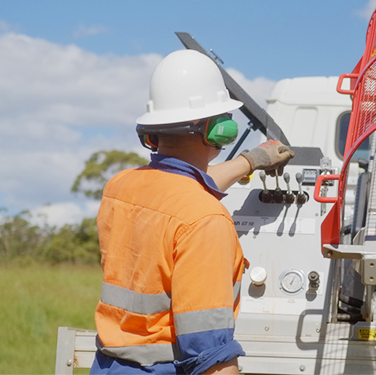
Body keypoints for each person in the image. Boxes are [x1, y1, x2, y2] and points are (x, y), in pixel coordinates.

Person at [91, 49, 294, 375]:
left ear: (152, 131)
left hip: (108, 366)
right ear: (217, 131)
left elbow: (180, 186)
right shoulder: (204, 219)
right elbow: (210, 353)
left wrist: (252, 160)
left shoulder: (120, 187)